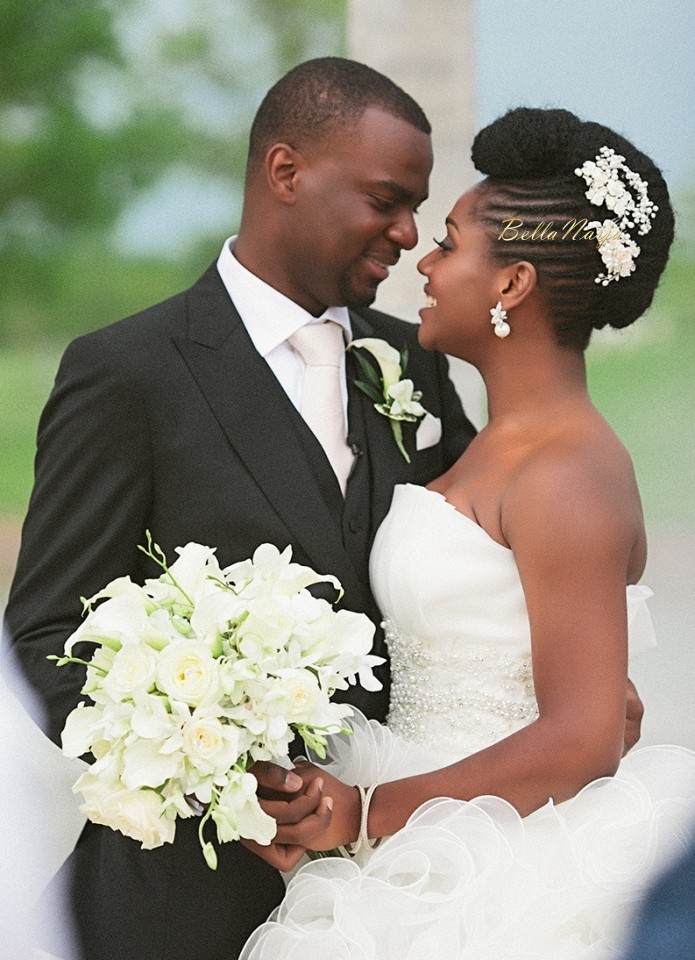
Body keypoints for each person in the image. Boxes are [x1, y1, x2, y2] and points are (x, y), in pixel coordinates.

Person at [3, 58, 476, 960]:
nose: (410, 233)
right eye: (386, 198)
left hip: (401, 883)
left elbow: (479, 549)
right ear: (286, 173)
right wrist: (216, 773)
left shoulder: (411, 361)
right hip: (188, 899)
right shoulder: (128, 371)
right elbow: (45, 635)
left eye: (417, 205)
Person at [239, 107, 695, 960]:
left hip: (501, 865)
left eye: (449, 243)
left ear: (511, 284)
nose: (427, 261)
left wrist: (368, 813)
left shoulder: (566, 471)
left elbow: (583, 735)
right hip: (423, 814)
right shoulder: (493, 446)